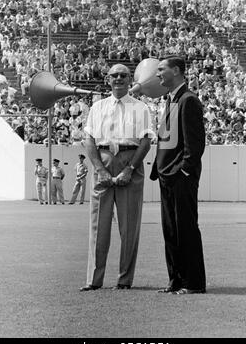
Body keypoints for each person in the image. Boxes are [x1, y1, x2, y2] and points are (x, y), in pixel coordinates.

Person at [80, 63, 154, 291]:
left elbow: (145, 141)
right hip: (103, 162)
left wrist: (130, 169)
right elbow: (89, 140)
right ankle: (94, 280)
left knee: (129, 225)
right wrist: (100, 169)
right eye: (115, 75)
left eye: (123, 75)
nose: (119, 78)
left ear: (130, 79)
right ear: (108, 80)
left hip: (129, 161)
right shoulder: (97, 107)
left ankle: (124, 280)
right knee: (98, 225)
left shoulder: (141, 108)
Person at [150, 55, 206, 295]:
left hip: (180, 176)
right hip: (167, 176)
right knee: (170, 231)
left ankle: (193, 283)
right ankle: (176, 281)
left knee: (185, 229)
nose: (157, 74)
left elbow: (195, 145)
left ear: (176, 70)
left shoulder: (188, 100)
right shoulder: (171, 100)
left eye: (161, 69)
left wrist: (183, 170)